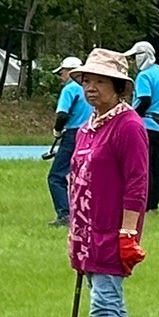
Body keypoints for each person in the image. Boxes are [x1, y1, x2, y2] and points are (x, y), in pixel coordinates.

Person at [63, 50, 150, 317]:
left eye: (100, 81)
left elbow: (137, 183)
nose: (91, 88)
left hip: (112, 229)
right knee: (114, 302)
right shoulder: (89, 123)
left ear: (118, 86)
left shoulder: (128, 126)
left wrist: (128, 233)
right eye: (87, 81)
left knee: (104, 303)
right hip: (87, 227)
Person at [47, 55, 91, 227]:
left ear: (69, 72)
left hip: (73, 134)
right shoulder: (89, 87)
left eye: (62, 72)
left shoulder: (70, 89)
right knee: (82, 175)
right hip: (90, 133)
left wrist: (57, 131)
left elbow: (63, 114)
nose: (61, 76)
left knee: (56, 176)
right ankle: (84, 212)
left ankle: (64, 214)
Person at [130, 41, 159, 212]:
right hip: (158, 127)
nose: (133, 61)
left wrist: (133, 117)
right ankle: (154, 204)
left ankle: (144, 204)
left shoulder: (144, 76)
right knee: (156, 167)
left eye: (135, 57)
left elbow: (145, 99)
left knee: (143, 167)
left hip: (144, 127)